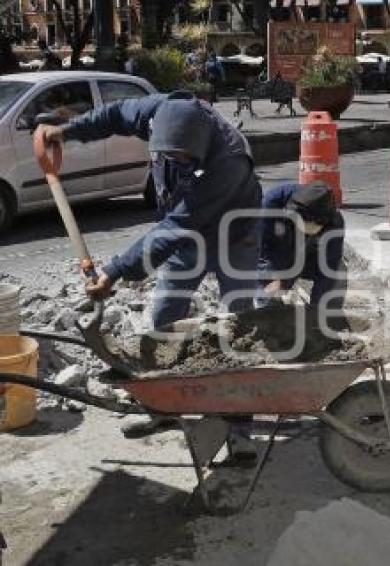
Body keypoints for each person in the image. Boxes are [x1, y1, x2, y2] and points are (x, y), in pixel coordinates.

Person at [36, 92, 261, 454]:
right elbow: (111, 115)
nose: (175, 161)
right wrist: (68, 131)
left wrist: (114, 271)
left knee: (239, 327)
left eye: (183, 158)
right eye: (169, 155)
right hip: (186, 233)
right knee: (164, 318)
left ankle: (240, 429)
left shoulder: (228, 162)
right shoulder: (157, 112)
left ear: (199, 146)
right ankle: (164, 406)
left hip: (235, 235)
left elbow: (174, 229)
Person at [254, 182, 345, 311]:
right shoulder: (272, 204)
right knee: (265, 285)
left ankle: (323, 315)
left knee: (335, 272)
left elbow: (329, 266)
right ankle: (262, 308)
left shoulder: (334, 224)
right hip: (273, 247)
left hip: (306, 254)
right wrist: (272, 282)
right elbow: (262, 250)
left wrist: (316, 311)